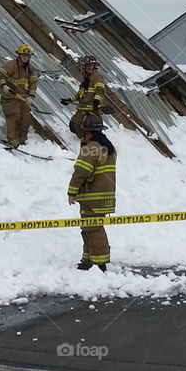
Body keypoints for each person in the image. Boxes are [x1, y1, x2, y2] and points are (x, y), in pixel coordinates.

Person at [67, 111, 116, 271]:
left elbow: (81, 172)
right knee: (88, 227)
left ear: (87, 132)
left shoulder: (92, 147)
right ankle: (88, 260)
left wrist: (72, 192)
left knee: (93, 228)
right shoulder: (108, 147)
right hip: (105, 196)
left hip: (92, 197)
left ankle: (100, 263)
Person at [0, 44, 39, 148]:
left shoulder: (31, 69)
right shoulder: (11, 65)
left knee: (25, 119)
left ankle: (22, 139)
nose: (25, 57)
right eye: (23, 55)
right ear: (19, 55)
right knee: (13, 116)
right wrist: (4, 85)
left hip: (23, 98)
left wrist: (31, 96)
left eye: (27, 56)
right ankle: (12, 140)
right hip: (10, 97)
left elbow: (33, 83)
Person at [61, 55, 108, 137]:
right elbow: (80, 94)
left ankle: (88, 140)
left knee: (81, 128)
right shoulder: (87, 79)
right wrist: (69, 100)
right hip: (82, 109)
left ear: (95, 66)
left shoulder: (96, 76)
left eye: (90, 65)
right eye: (87, 65)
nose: (88, 67)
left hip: (91, 111)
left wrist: (96, 102)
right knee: (73, 125)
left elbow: (100, 90)